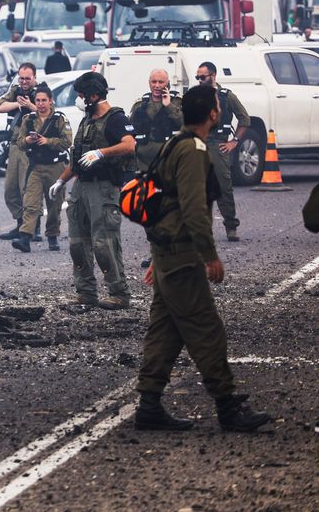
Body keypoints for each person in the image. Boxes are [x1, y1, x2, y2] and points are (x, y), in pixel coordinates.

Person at [133, 84, 270, 433]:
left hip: (166, 253)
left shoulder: (173, 144)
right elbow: (193, 210)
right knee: (207, 330)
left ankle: (148, 405)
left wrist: (155, 258)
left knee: (165, 331)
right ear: (213, 113)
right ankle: (227, 407)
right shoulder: (193, 150)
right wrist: (210, 257)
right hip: (182, 256)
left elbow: (160, 204)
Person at [49, 72, 136, 309]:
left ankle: (119, 293)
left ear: (93, 95)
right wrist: (61, 181)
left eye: (81, 95)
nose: (79, 99)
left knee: (104, 242)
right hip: (81, 187)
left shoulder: (115, 118)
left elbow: (129, 145)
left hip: (104, 188)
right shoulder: (87, 120)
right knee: (77, 242)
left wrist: (102, 153)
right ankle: (86, 292)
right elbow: (78, 156)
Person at [12, 84, 72, 252]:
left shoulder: (59, 119)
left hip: (55, 167)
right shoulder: (29, 119)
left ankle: (52, 236)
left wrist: (48, 141)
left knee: (54, 204)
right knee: (30, 202)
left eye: (44, 100)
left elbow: (67, 142)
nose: (40, 104)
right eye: (37, 100)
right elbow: (19, 142)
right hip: (36, 167)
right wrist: (28, 141)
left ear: (50, 101)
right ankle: (25, 237)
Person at [194, 61, 250, 242]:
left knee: (223, 187)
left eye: (203, 77)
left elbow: (244, 119)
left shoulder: (226, 96)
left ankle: (231, 226)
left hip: (218, 145)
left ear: (213, 76)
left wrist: (235, 141)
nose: (200, 81)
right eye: (198, 78)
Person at [0, 63, 39, 240]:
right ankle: (20, 224)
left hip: (32, 145)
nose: (24, 82)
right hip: (15, 144)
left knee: (28, 189)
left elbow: (48, 112)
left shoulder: (41, 93)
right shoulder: (15, 91)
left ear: (34, 78)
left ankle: (33, 228)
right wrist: (17, 104)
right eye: (21, 78)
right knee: (10, 189)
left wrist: (30, 105)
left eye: (27, 78)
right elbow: (0, 107)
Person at [130, 69, 183, 171]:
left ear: (167, 84)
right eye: (154, 82)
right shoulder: (140, 104)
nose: (157, 85)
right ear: (149, 83)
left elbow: (186, 124)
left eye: (161, 82)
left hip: (170, 160)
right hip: (143, 163)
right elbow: (129, 131)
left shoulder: (177, 102)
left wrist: (169, 106)